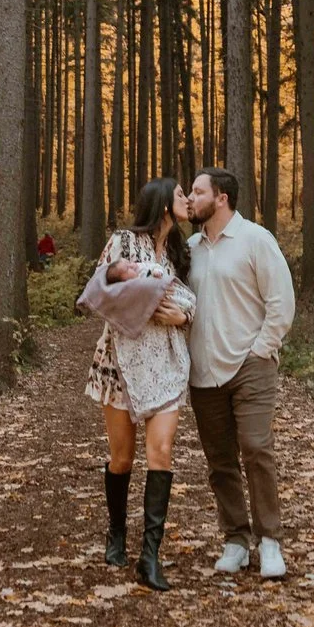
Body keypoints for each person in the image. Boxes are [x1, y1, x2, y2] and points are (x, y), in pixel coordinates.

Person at [79, 178, 194, 590]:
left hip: (166, 364)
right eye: (181, 194)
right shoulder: (124, 241)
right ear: (164, 204)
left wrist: (183, 317)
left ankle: (150, 556)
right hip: (119, 365)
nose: (187, 200)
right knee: (122, 459)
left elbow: (192, 301)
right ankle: (115, 533)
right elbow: (99, 284)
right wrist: (119, 273)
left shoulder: (182, 252)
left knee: (160, 452)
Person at [184, 166, 296, 580]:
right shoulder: (191, 247)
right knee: (220, 461)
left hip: (250, 366)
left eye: (197, 191)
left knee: (256, 448)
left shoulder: (255, 239)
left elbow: (281, 300)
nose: (190, 199)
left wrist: (261, 350)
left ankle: (270, 541)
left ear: (221, 198)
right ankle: (235, 540)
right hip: (204, 372)